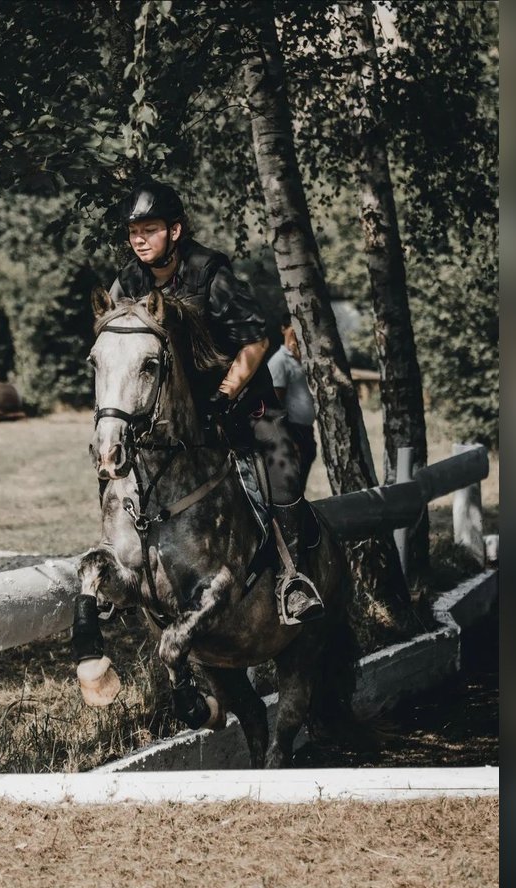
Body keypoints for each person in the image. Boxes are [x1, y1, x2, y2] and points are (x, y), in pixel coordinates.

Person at [108, 181, 324, 623]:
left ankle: (292, 578)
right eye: (133, 232)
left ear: (176, 230)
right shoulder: (128, 281)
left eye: (149, 230)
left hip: (240, 402)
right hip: (171, 415)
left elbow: (256, 341)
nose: (139, 240)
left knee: (282, 473)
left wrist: (225, 395)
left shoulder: (212, 276)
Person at [268, 314, 318, 488]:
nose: (297, 332)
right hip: (293, 431)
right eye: (293, 326)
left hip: (305, 430)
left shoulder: (302, 360)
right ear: (284, 328)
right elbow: (276, 401)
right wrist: (289, 438)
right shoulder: (279, 361)